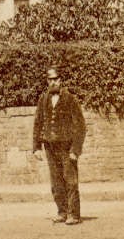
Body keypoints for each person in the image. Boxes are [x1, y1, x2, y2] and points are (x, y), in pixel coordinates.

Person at [31, 67, 87, 225]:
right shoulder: (43, 99)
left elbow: (80, 126)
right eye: (50, 79)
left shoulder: (70, 99)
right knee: (56, 182)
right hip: (50, 146)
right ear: (47, 81)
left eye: (56, 79)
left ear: (61, 80)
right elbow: (38, 123)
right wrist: (36, 147)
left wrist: (75, 150)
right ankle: (62, 212)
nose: (53, 82)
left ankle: (74, 214)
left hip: (66, 147)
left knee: (70, 181)